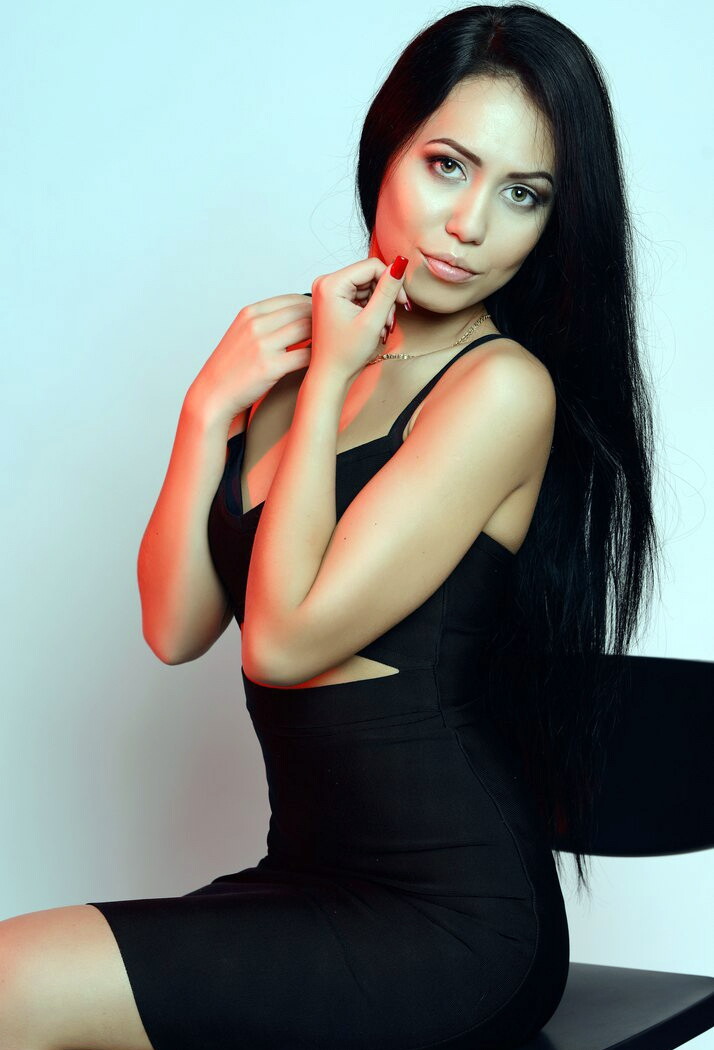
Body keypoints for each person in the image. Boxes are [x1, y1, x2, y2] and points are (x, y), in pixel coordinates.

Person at [0, 4, 662, 1048]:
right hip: (306, 878)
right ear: (386, 150)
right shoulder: (302, 361)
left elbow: (281, 643)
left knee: (14, 984)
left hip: (452, 920)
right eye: (447, 165)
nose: (471, 223)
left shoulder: (499, 389)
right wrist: (205, 411)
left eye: (523, 194)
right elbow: (175, 628)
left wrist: (320, 391)